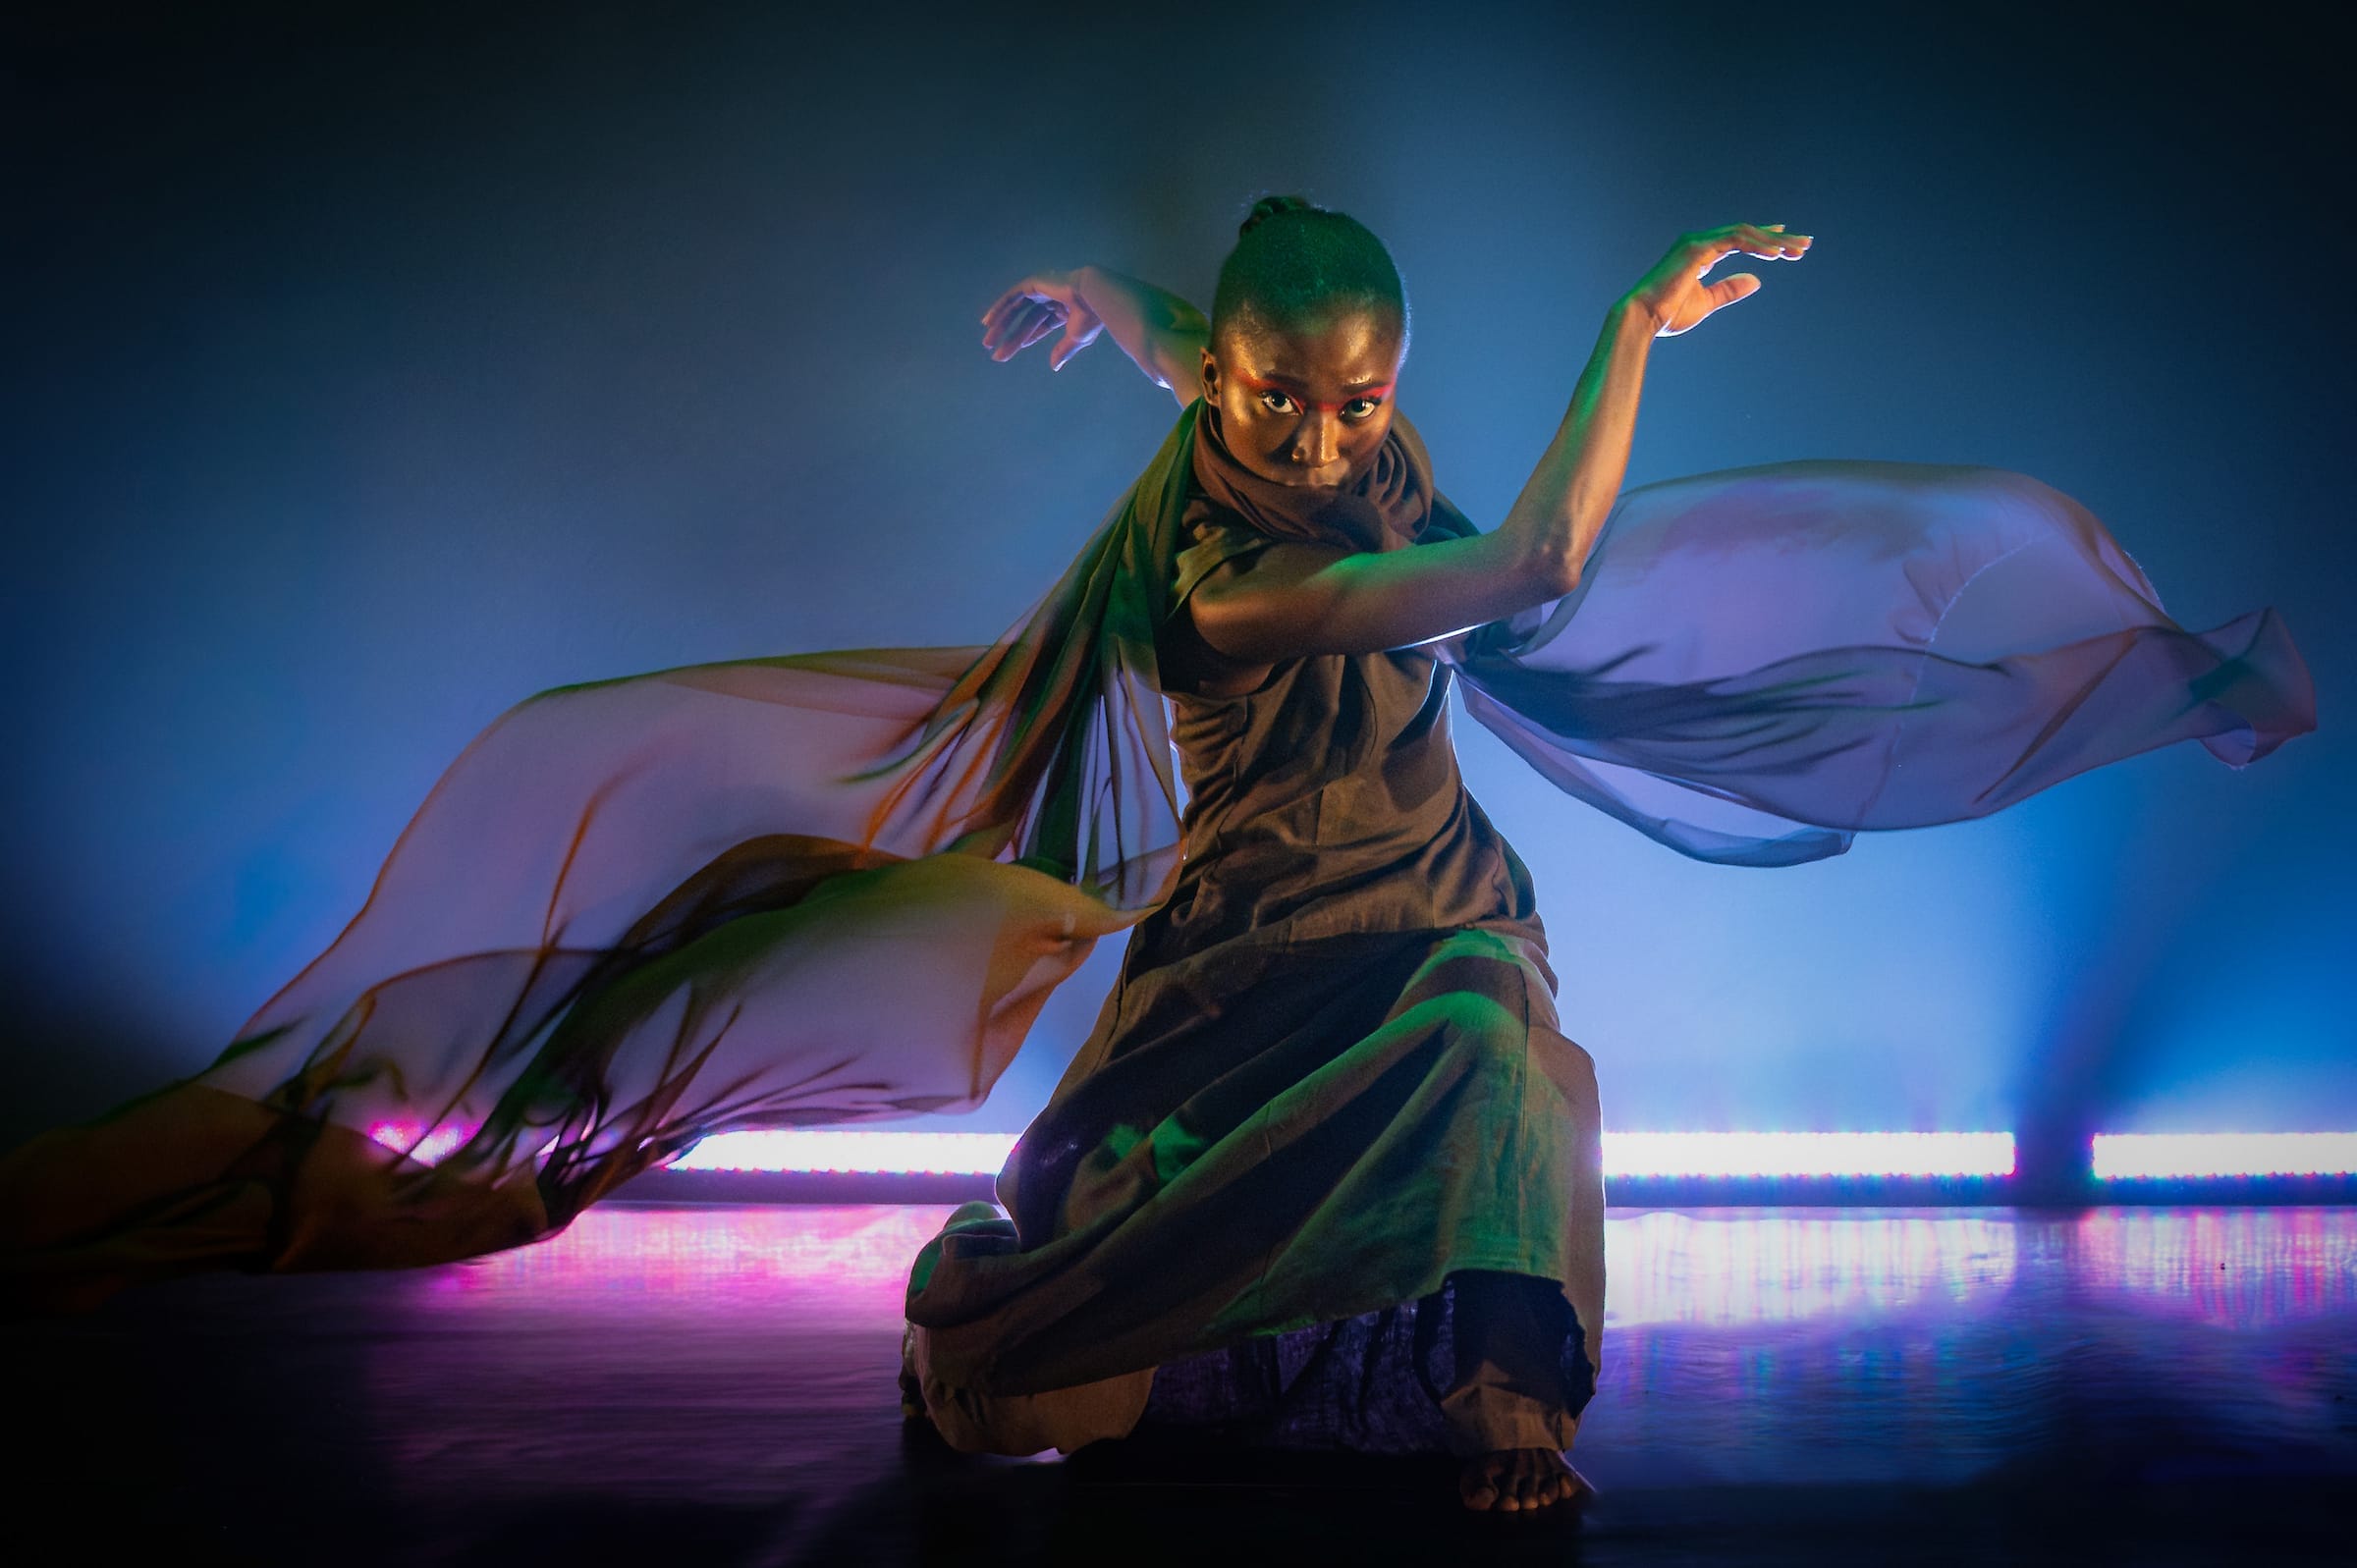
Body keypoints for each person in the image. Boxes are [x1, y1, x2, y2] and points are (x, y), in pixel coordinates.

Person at [0, 198, 2311, 1516]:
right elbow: (1527, 566)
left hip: (1430, 901)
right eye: (1280, 399)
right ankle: (1014, 1309)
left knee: (1502, 1028)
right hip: (1260, 936)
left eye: (1355, 390)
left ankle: (1508, 1386)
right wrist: (1629, 324)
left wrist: (1115, 304)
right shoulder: (1229, 577)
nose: (1320, 425)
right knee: (1036, 1359)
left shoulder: (1278, 403)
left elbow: (1210, 338)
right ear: (1230, 419)